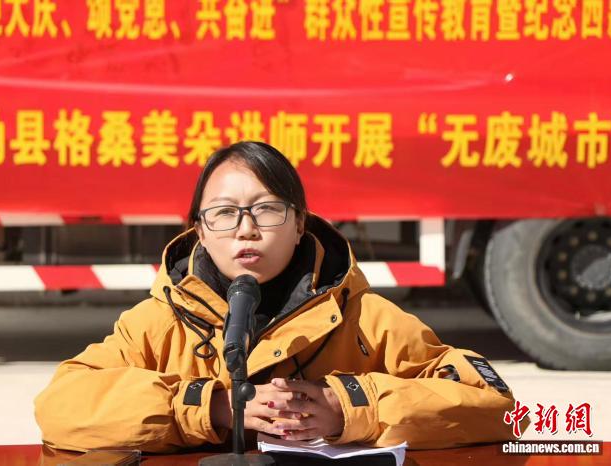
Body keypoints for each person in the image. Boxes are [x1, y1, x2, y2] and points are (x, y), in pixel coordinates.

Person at [34, 141, 520, 453]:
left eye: (266, 210)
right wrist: (213, 407)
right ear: (199, 230)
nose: (245, 229)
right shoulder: (158, 322)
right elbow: (60, 406)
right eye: (224, 213)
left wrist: (351, 406)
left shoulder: (365, 319)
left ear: (300, 223)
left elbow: (495, 404)